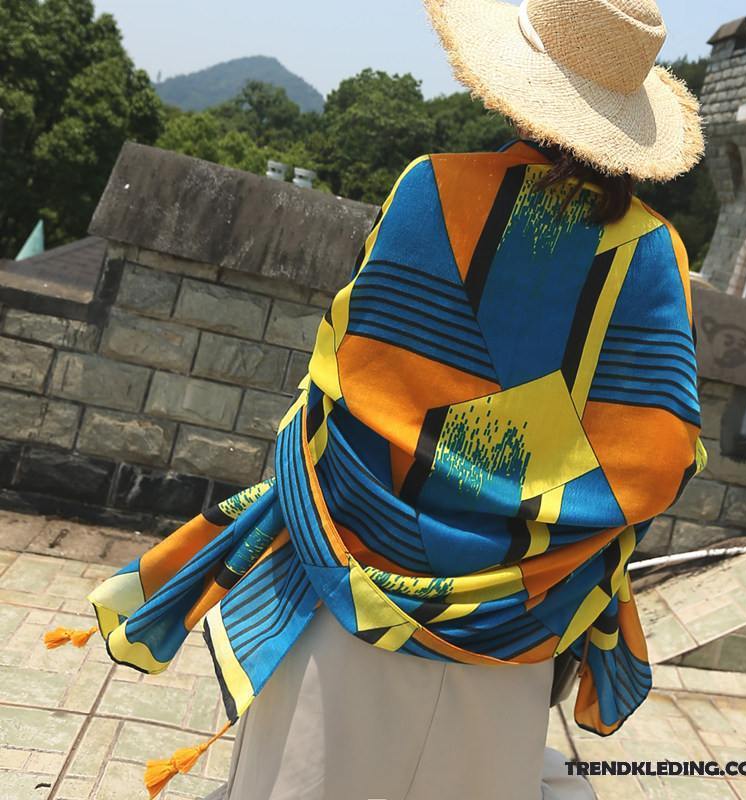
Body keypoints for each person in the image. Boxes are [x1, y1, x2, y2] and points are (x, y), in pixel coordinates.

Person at [44, 0, 706, 798]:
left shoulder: (433, 190)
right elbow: (658, 450)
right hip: (516, 625)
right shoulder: (654, 254)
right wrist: (516, 480)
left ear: (519, 85)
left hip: (350, 582)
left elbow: (355, 370)